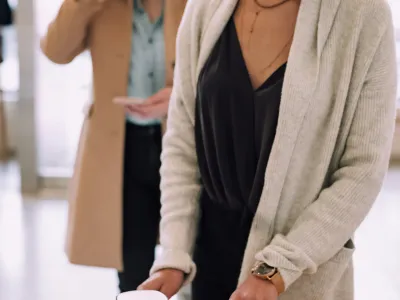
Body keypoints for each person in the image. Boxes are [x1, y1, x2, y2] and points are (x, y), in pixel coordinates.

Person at [138, 0, 398, 299]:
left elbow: (363, 170)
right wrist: (173, 254)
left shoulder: (363, 13)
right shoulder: (204, 7)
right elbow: (183, 143)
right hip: (206, 262)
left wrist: (276, 269)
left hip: (297, 272)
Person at [40, 0, 187, 293]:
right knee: (133, 264)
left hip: (182, 141)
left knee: (193, 254)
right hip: (120, 147)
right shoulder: (101, 4)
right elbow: (55, 50)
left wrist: (182, 94)